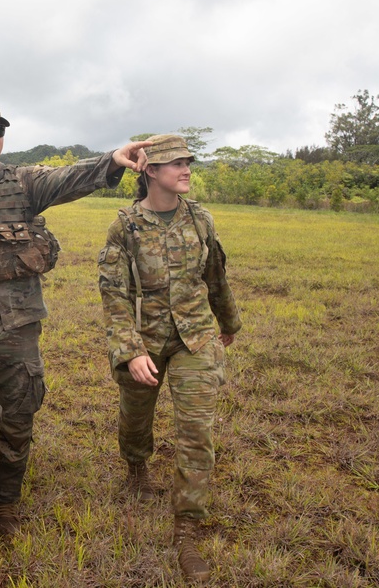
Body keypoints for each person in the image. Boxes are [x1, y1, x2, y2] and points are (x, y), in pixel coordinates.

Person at [0, 99, 148, 543]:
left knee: (17, 419)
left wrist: (112, 161)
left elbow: (68, 178)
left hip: (21, 324)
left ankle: (7, 502)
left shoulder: (26, 183)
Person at [97, 134, 241, 583]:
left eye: (187, 162)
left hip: (195, 339)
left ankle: (187, 528)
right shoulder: (126, 226)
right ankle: (136, 465)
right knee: (136, 415)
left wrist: (228, 322)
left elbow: (215, 274)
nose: (186, 170)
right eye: (175, 163)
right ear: (150, 172)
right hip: (146, 339)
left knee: (196, 430)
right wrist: (131, 350)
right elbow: (114, 294)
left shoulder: (200, 219)